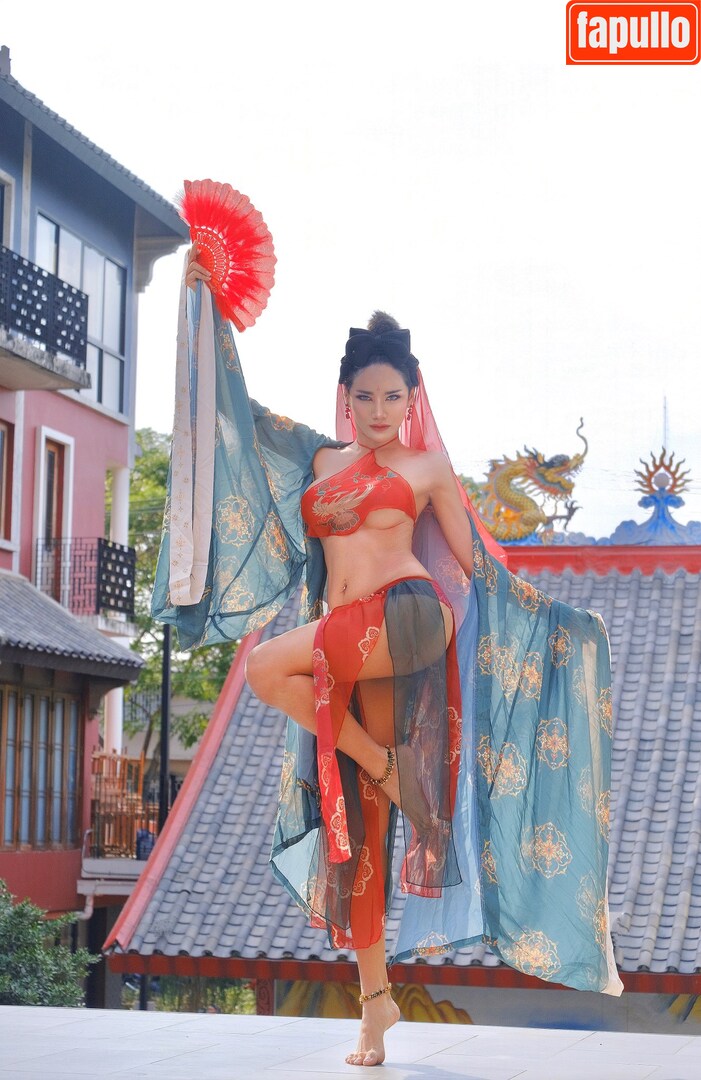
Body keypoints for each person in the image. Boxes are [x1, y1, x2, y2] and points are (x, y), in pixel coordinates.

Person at [152, 247, 623, 1068]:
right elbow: (231, 411)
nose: (378, 410)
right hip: (347, 639)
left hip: (407, 620)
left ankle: (385, 768)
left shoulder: (427, 467)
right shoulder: (318, 459)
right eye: (364, 396)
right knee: (361, 835)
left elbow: (477, 567)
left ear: (412, 398)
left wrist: (554, 622)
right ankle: (376, 1004)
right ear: (346, 396)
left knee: (264, 668)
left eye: (392, 397)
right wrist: (205, 310)